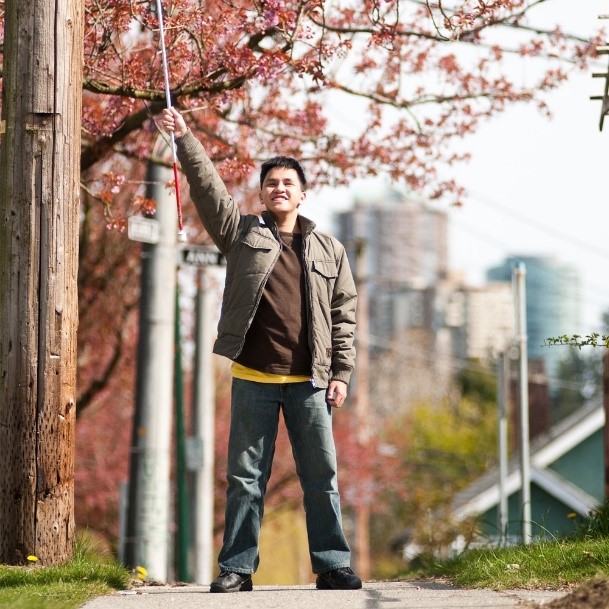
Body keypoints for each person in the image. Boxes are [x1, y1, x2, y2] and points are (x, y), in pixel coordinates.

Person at [162, 108, 362, 593]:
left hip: (310, 382)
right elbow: (209, 193)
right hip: (253, 376)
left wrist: (341, 372)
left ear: (303, 192)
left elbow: (344, 315)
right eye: (272, 182)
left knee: (321, 476)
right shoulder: (242, 235)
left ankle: (333, 565)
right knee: (244, 480)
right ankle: (237, 568)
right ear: (263, 191)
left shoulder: (329, 250)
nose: (280, 189)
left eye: (288, 182)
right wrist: (186, 140)